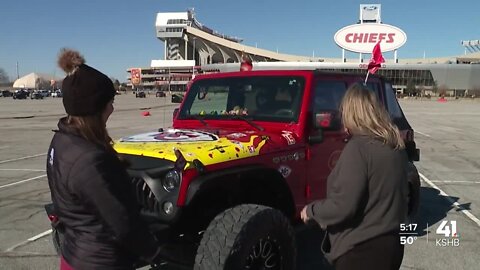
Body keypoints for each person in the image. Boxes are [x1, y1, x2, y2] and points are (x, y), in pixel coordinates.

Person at [47, 49, 163, 270]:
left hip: (74, 255)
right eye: (109, 102)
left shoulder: (62, 141)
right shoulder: (89, 160)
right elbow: (120, 222)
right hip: (101, 261)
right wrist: (153, 251)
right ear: (94, 108)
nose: (112, 107)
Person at [301, 83, 409, 270]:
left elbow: (343, 206)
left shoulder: (359, 148)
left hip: (360, 252)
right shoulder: (395, 146)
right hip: (392, 246)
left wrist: (311, 211)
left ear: (351, 113)